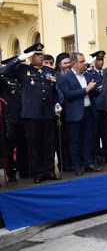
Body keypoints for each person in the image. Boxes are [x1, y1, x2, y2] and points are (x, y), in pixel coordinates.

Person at [0, 43, 61, 183]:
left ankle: (49, 170)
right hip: (32, 113)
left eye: (41, 54)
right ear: (30, 57)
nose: (40, 57)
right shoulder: (22, 70)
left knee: (49, 143)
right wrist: (20, 58)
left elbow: (53, 91)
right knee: (35, 144)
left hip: (48, 112)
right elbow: (3, 72)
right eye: (37, 55)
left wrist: (56, 104)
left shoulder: (48, 71)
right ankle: (38, 172)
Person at [58, 53, 103, 175]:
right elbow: (68, 94)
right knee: (75, 141)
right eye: (82, 61)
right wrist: (86, 90)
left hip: (89, 111)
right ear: (74, 64)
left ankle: (88, 163)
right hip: (75, 113)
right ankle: (77, 166)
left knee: (88, 139)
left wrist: (96, 89)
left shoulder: (88, 76)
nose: (84, 63)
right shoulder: (65, 78)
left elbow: (93, 94)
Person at [0, 59, 29, 180]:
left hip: (22, 117)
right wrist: (16, 61)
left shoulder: (20, 80)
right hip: (10, 119)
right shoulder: (3, 79)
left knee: (23, 146)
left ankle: (23, 170)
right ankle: (10, 172)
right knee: (9, 148)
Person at [88, 50, 107, 164]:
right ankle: (97, 155)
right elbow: (92, 91)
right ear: (94, 61)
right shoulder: (90, 74)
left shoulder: (106, 72)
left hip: (106, 106)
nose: (100, 62)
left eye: (102, 60)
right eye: (98, 60)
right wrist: (100, 88)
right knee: (96, 132)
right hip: (96, 107)